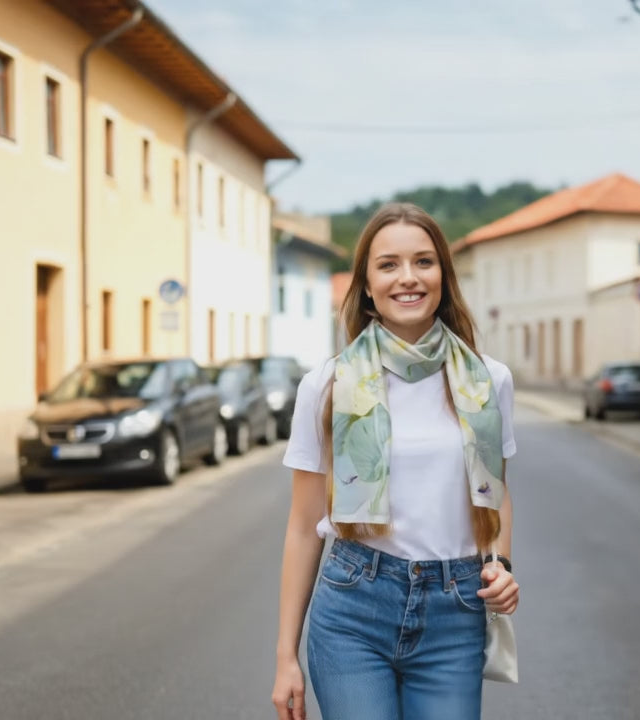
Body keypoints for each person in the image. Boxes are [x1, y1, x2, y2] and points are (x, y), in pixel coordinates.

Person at [271, 202, 519, 720]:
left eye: (423, 262)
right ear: (365, 284)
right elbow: (301, 528)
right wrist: (284, 657)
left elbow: (495, 494)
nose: (408, 278)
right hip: (352, 611)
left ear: (443, 277)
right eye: (388, 264)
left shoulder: (486, 380)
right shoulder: (327, 385)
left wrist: (500, 565)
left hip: (456, 611)